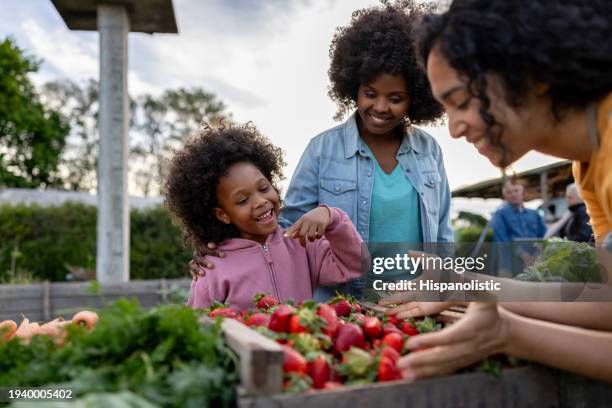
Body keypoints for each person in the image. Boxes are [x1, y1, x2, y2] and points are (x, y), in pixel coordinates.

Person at [381, 0, 612, 383]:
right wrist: (461, 285)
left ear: (531, 71)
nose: (454, 128)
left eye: (461, 101)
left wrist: (510, 334)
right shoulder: (587, 166)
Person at [189, 2, 452, 301]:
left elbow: (442, 235)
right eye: (369, 94)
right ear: (352, 87)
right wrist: (218, 245)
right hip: (345, 306)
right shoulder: (322, 150)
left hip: (415, 302)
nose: (380, 107)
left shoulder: (430, 151)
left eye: (395, 98)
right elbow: (284, 231)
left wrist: (445, 288)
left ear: (416, 97)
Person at [164, 124, 363, 310]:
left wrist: (332, 217)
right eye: (242, 200)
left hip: (301, 346)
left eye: (263, 188)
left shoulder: (302, 244)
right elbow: (201, 328)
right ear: (222, 215)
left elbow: (355, 265)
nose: (260, 201)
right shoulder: (213, 268)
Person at [491, 179, 546, 275]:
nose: (513, 194)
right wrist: (522, 255)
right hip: (510, 266)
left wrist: (536, 255)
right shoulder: (500, 214)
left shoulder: (534, 214)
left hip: (535, 264)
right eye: (509, 192)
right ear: (505, 196)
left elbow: (544, 236)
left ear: (522, 192)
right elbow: (502, 240)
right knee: (509, 289)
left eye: (516, 190)